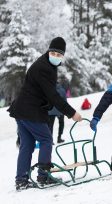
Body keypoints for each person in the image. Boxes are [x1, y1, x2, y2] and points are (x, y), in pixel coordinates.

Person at [8, 37, 82, 190]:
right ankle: (43, 176)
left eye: (59, 54)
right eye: (53, 52)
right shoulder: (44, 68)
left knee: (27, 145)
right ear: (48, 51)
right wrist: (72, 113)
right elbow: (53, 95)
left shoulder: (45, 64)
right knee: (46, 139)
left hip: (22, 110)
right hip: (29, 111)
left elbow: (41, 91)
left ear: (62, 56)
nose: (55, 56)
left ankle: (21, 180)